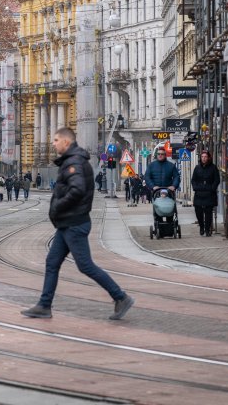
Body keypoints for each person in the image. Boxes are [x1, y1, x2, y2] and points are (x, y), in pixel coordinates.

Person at [21, 127, 134, 321]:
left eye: (56, 140)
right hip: (67, 223)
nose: (53, 143)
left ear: (66, 142)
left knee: (85, 265)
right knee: (52, 262)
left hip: (74, 222)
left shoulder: (74, 163)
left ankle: (120, 297)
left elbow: (77, 190)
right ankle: (44, 305)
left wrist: (57, 206)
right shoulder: (72, 161)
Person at [191, 150, 221, 237]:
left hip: (209, 193)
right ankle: (201, 226)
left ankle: (207, 229)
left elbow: (217, 180)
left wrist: (212, 188)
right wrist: (195, 187)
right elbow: (193, 180)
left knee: (208, 213)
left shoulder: (213, 168)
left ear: (208, 158)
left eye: (205, 157)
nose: (204, 158)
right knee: (198, 211)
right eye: (202, 157)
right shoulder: (197, 168)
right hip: (199, 193)